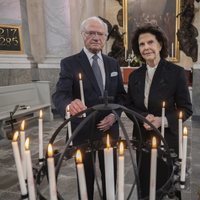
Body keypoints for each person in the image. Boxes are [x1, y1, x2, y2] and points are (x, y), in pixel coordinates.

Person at [52, 16, 126, 200]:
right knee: (85, 179)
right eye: (91, 33)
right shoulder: (69, 63)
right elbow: (60, 95)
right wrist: (69, 104)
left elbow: (121, 96)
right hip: (82, 130)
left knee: (111, 176)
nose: (95, 37)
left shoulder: (112, 63)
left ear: (106, 37)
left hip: (109, 130)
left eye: (100, 34)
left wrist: (115, 116)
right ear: (83, 35)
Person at [126, 24, 192, 199]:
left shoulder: (176, 73)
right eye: (141, 44)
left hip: (166, 139)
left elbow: (186, 109)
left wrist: (160, 120)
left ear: (160, 45)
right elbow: (129, 106)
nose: (146, 47)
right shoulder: (135, 76)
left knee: (167, 187)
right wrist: (142, 118)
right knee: (145, 186)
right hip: (142, 139)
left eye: (150, 42)